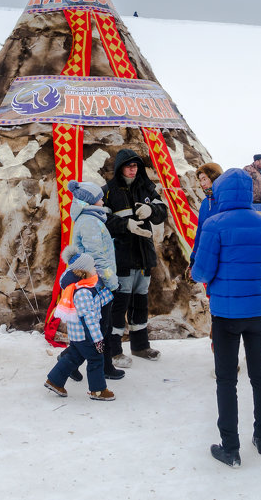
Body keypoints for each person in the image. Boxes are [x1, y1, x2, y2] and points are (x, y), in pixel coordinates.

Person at [192, 168, 261, 468]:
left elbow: (201, 271)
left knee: (226, 381)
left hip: (226, 314)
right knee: (260, 375)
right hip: (258, 312)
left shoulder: (214, 225)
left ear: (223, 191)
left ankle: (230, 448)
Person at [102, 148, 168, 366]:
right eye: (129, 166)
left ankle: (140, 346)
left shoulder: (146, 186)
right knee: (119, 306)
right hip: (121, 258)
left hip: (144, 258)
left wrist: (151, 210)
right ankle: (113, 350)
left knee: (141, 304)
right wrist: (125, 225)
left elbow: (161, 211)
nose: (133, 170)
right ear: (120, 167)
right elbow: (102, 222)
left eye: (136, 166)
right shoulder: (108, 191)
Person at [59, 180, 123, 381]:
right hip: (96, 284)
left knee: (101, 326)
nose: (102, 200)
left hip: (97, 282)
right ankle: (67, 361)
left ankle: (104, 365)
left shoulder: (92, 219)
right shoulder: (89, 223)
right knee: (98, 328)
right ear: (90, 202)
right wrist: (112, 283)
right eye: (99, 198)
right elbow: (97, 257)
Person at [45, 245, 115, 401]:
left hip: (77, 335)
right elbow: (89, 318)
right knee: (96, 359)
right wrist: (97, 339)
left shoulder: (85, 286)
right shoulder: (83, 292)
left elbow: (97, 301)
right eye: (92, 268)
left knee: (74, 357)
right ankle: (98, 390)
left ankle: (54, 381)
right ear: (84, 272)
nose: (95, 270)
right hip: (86, 335)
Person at [188, 162, 223, 272]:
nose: (202, 183)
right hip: (208, 255)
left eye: (204, 178)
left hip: (224, 255)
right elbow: (200, 231)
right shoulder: (205, 203)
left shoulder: (225, 200)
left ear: (214, 177)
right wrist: (193, 258)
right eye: (200, 180)